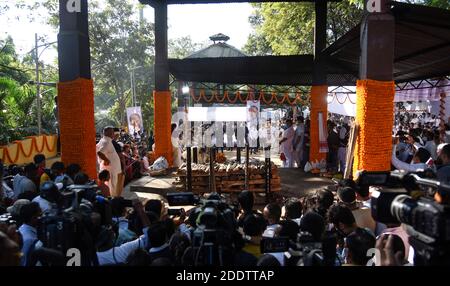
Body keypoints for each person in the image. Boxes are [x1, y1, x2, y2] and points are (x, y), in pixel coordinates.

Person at [96, 126, 122, 197]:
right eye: (112, 132)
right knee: (112, 185)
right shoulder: (106, 142)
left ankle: (111, 198)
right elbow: (99, 152)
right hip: (111, 169)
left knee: (111, 185)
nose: (113, 134)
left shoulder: (105, 140)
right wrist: (106, 160)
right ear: (109, 133)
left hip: (111, 168)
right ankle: (112, 200)